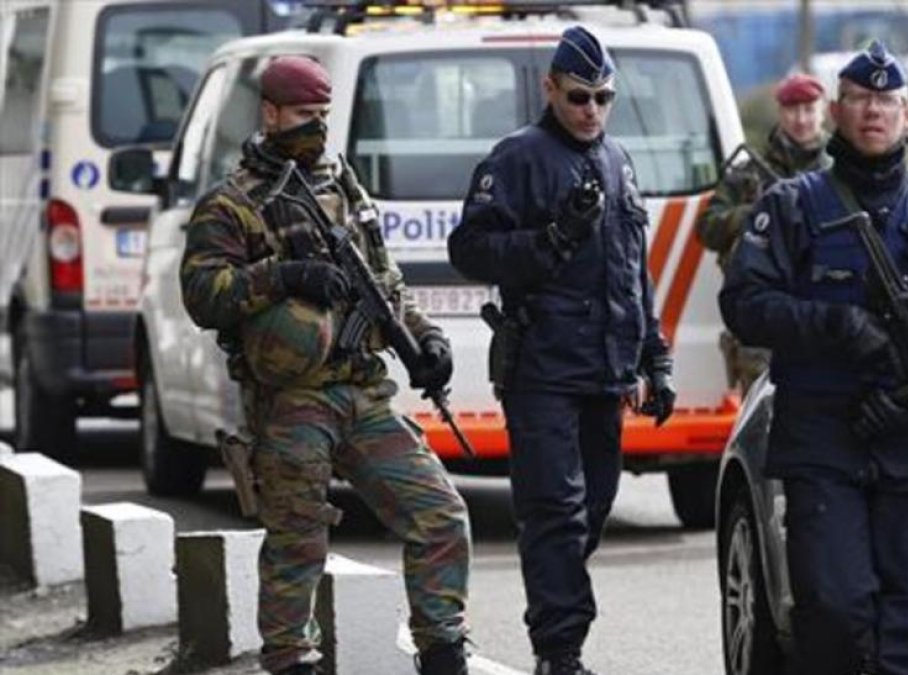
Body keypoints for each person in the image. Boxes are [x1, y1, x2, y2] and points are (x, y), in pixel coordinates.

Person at [179, 55, 471, 675]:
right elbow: (204, 295)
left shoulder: (343, 188)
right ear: (271, 114)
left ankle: (442, 647)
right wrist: (281, 275)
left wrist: (426, 341)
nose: (315, 129)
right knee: (298, 539)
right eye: (304, 116)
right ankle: (290, 660)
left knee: (439, 513)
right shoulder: (231, 205)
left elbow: (387, 283)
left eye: (323, 116)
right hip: (290, 401)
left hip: (362, 393)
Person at [719, 40, 908, 675]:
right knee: (834, 609)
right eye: (859, 99)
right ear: (836, 111)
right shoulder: (793, 207)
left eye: (886, 101)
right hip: (825, 440)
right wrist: (837, 325)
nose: (872, 112)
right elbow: (744, 304)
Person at [447, 26, 674, 675]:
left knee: (591, 510)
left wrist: (654, 358)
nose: (592, 111)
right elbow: (470, 249)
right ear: (551, 89)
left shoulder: (618, 159)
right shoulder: (517, 158)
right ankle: (560, 651)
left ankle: (559, 621)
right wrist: (549, 238)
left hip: (605, 370)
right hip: (542, 367)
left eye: (604, 97)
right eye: (579, 97)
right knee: (554, 512)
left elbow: (635, 269)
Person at [699, 72, 831, 392]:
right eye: (792, 110)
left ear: (823, 111)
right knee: (761, 426)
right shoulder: (750, 174)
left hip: (825, 318)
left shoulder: (839, 172)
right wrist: (758, 212)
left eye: (808, 109)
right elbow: (708, 228)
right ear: (780, 112)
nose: (801, 119)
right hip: (764, 321)